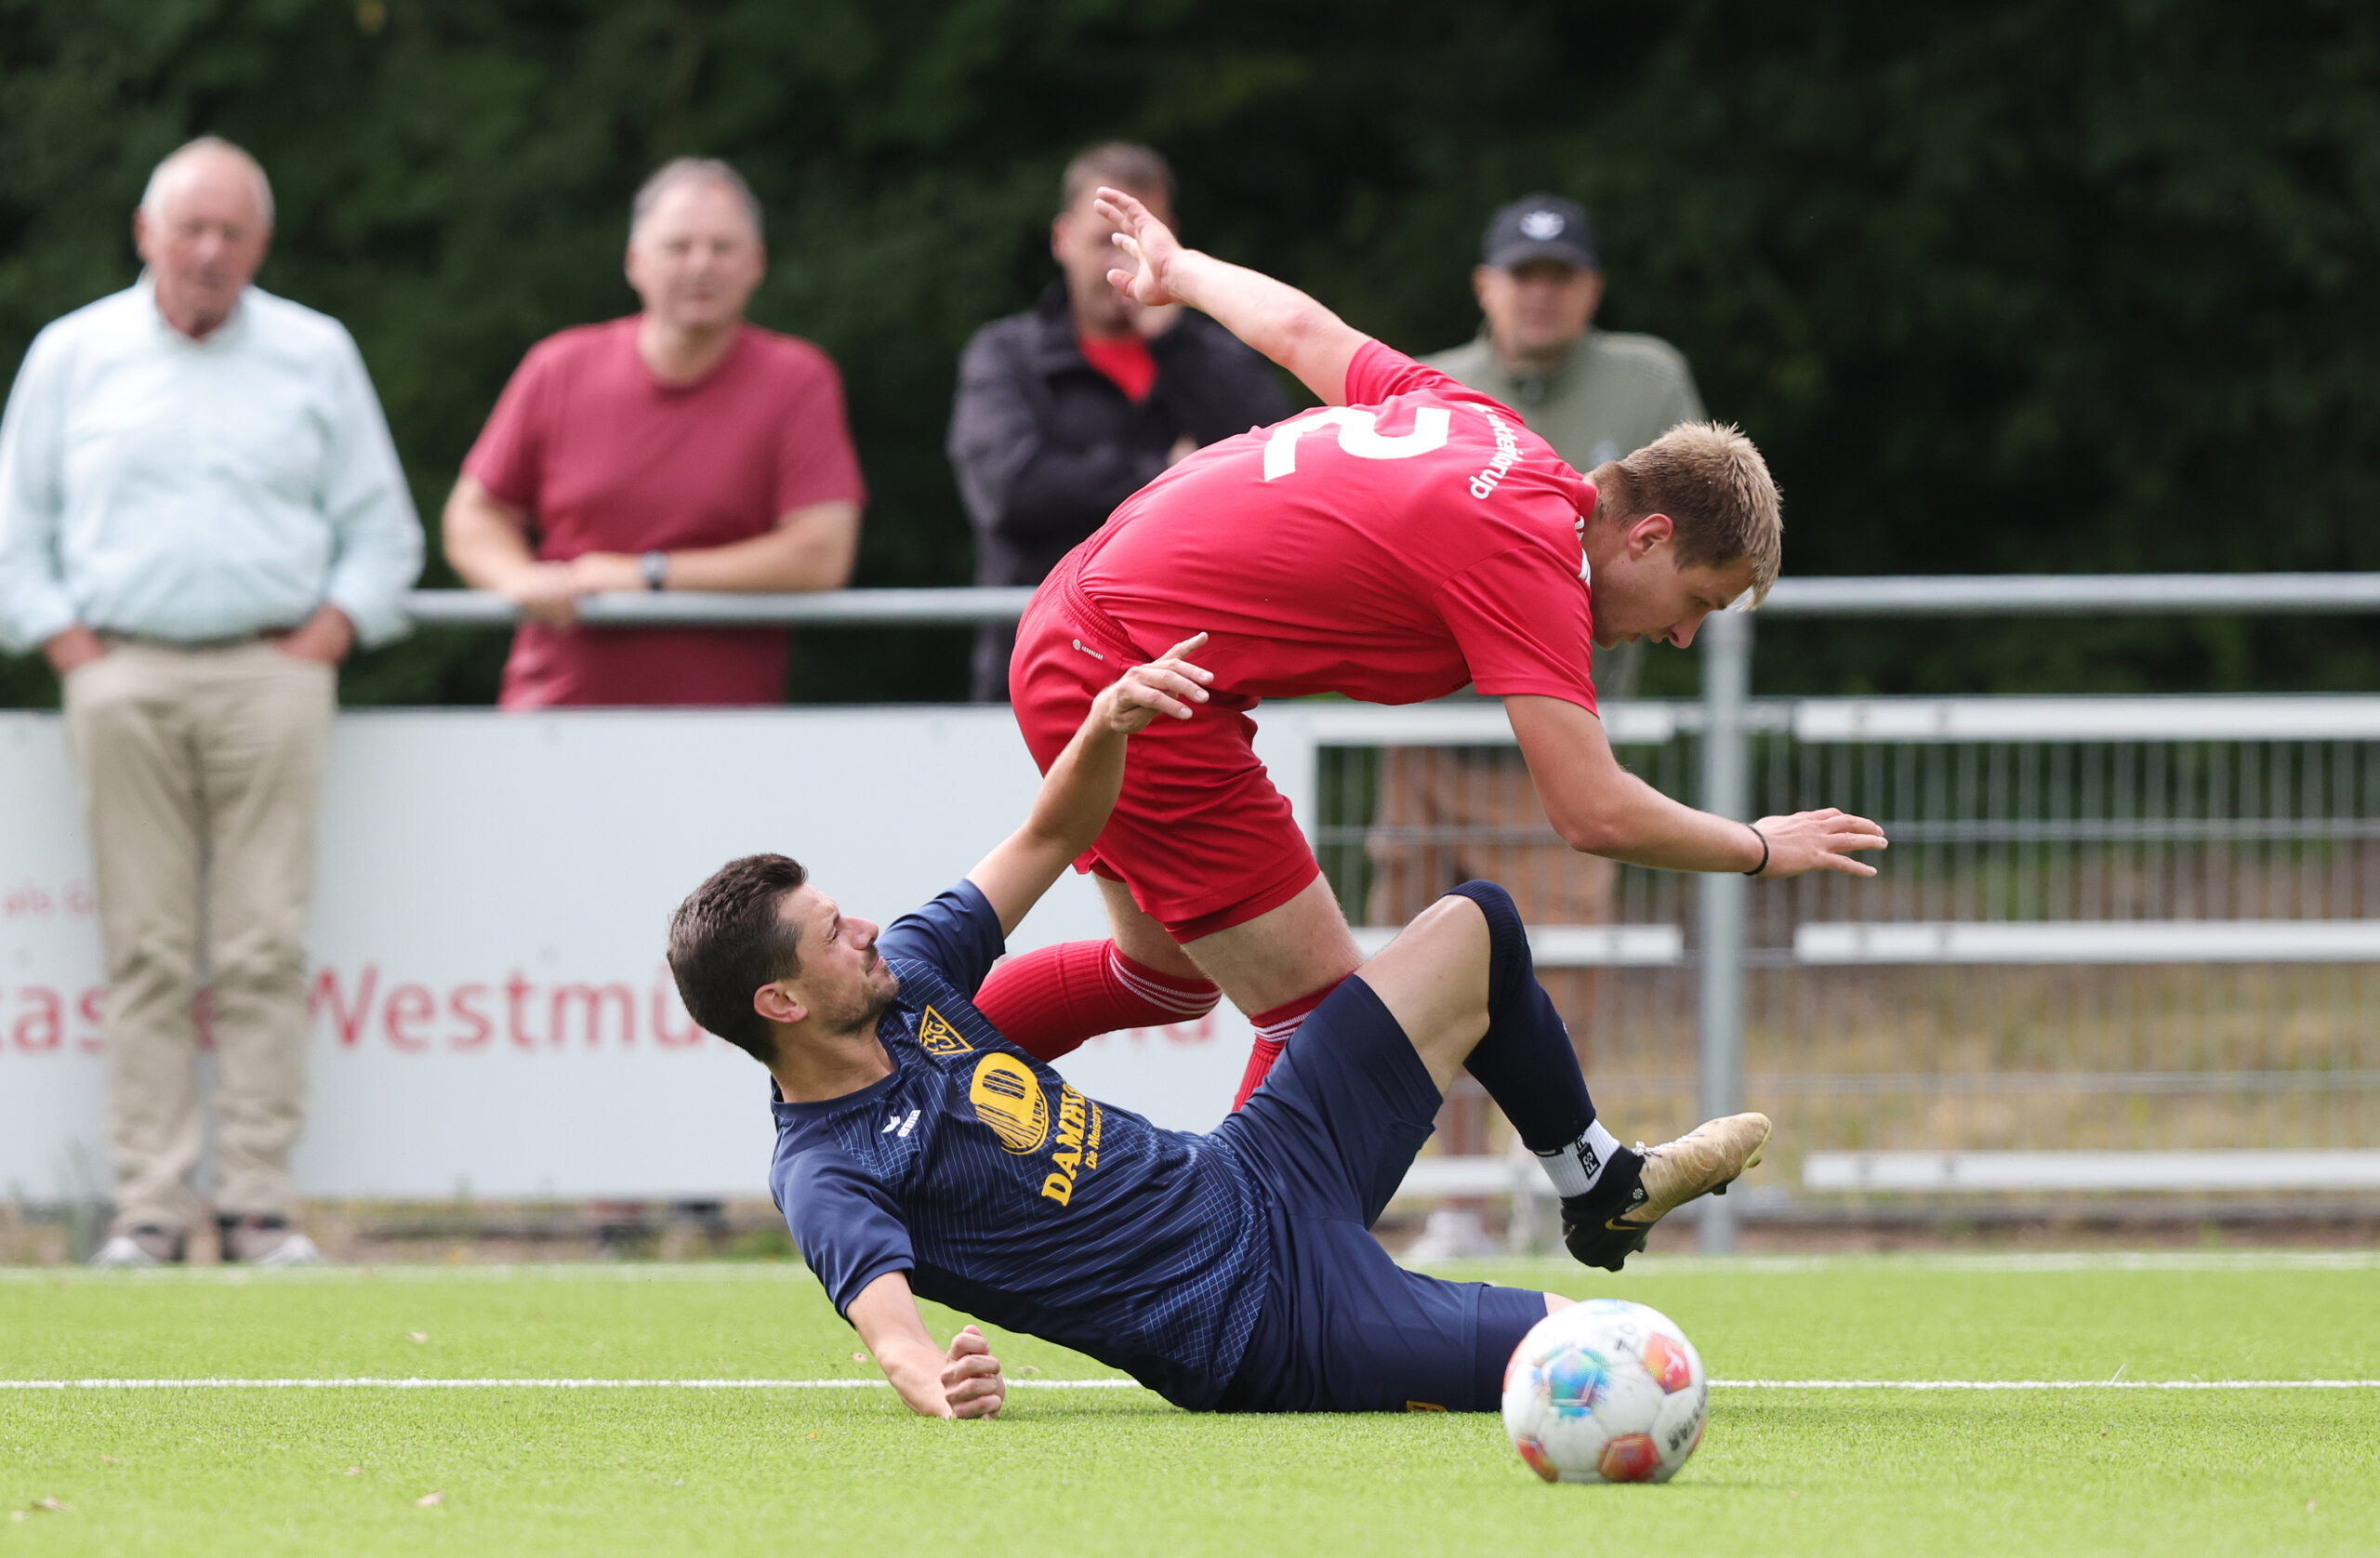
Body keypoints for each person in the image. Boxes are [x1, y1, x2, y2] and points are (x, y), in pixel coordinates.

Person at [989, 189, 1885, 1172]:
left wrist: (1182, 270)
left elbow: (1301, 332)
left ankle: (903, 1072)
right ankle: (1235, 1245)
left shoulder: (1484, 423)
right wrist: (1758, 847)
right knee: (1323, 1020)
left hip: (1082, 627)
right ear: (1649, 535)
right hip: (1132, 673)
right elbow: (1592, 811)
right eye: (1697, 602)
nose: (1680, 637)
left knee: (1164, 976)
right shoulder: (1535, 559)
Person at [666, 634, 1769, 1417]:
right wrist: (937, 1381)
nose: (863, 926)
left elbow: (1048, 833)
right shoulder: (824, 1167)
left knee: (1473, 925)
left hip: (1260, 1166)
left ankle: (1596, 1184)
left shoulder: (909, 976)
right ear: (781, 1003)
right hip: (1257, 1322)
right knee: (1619, 1358)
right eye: (831, 933)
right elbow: (887, 1325)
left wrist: (1105, 722)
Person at [0, 137, 424, 1266]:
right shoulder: (72, 353)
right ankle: (148, 1205)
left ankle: (257, 1204)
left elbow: (383, 532)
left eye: (230, 231)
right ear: (146, 233)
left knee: (263, 946)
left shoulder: (314, 353)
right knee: (142, 946)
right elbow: (14, 529)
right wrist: (73, 648)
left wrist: (325, 636)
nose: (207, 250)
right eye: (189, 227)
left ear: (260, 244)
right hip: (120, 673)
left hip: (270, 674)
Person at [1374, 195, 1709, 1260]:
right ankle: (1458, 1200)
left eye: (1560, 275)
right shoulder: (1433, 380)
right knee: (1417, 968)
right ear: (1485, 285)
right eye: (1521, 274)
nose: (1539, 294)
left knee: (1563, 972)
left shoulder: (1647, 380)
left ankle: (1550, 1180)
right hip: (1430, 730)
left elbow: (1695, 533)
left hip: (1559, 732)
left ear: (1590, 288)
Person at [443, 157, 865, 707]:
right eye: (678, 247)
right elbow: (473, 515)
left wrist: (649, 575)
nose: (701, 265)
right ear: (634, 262)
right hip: (554, 719)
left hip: (728, 729)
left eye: (722, 247)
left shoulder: (798, 380)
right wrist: (518, 578)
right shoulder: (559, 367)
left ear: (756, 263)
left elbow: (821, 554)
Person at [947, 142, 1289, 703]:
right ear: (1062, 239)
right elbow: (1012, 491)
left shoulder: (1214, 356)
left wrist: (1173, 342)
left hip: (1200, 682)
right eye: (1106, 240)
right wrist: (1167, 475)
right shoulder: (1006, 356)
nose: (1127, 261)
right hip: (1044, 675)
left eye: (1140, 240)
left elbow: (1283, 472)